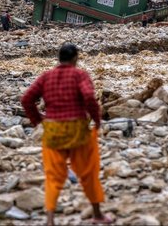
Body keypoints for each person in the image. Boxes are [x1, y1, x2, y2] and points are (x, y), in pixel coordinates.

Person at [21, 44, 111, 226]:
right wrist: (97, 119)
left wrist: (38, 120)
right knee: (88, 172)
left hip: (53, 130)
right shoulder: (80, 75)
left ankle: (50, 219)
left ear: (59, 58)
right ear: (75, 58)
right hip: (77, 129)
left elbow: (26, 99)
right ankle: (97, 214)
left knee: (53, 175)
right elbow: (88, 97)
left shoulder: (46, 76)